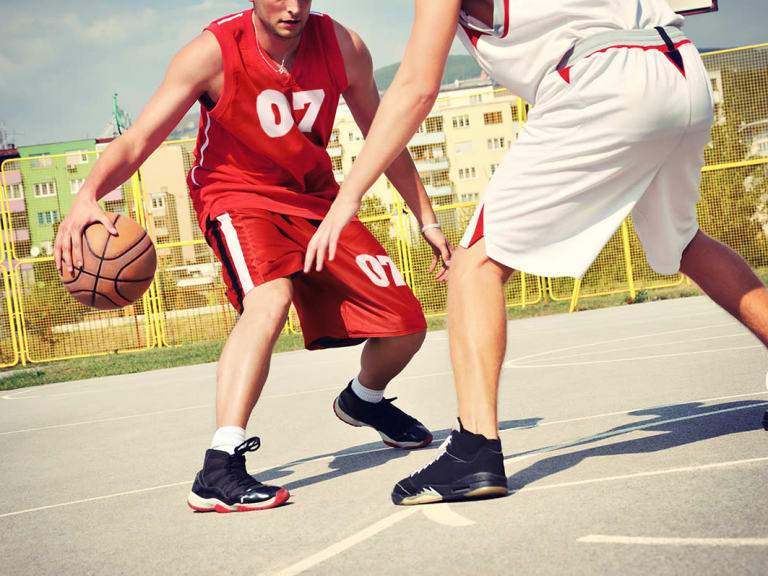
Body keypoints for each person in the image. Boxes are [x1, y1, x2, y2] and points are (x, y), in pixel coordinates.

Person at [304, 0, 768, 505]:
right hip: (680, 67)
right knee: (684, 241)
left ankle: (474, 451)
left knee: (475, 262)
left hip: (602, 76)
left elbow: (415, 87)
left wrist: (348, 196)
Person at [54, 0, 453, 513]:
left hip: (316, 201)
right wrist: (88, 195)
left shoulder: (343, 47)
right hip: (235, 197)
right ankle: (219, 465)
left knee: (406, 325)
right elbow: (138, 140)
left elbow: (387, 139)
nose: (293, 8)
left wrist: (427, 218)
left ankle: (363, 399)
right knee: (269, 299)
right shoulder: (212, 53)